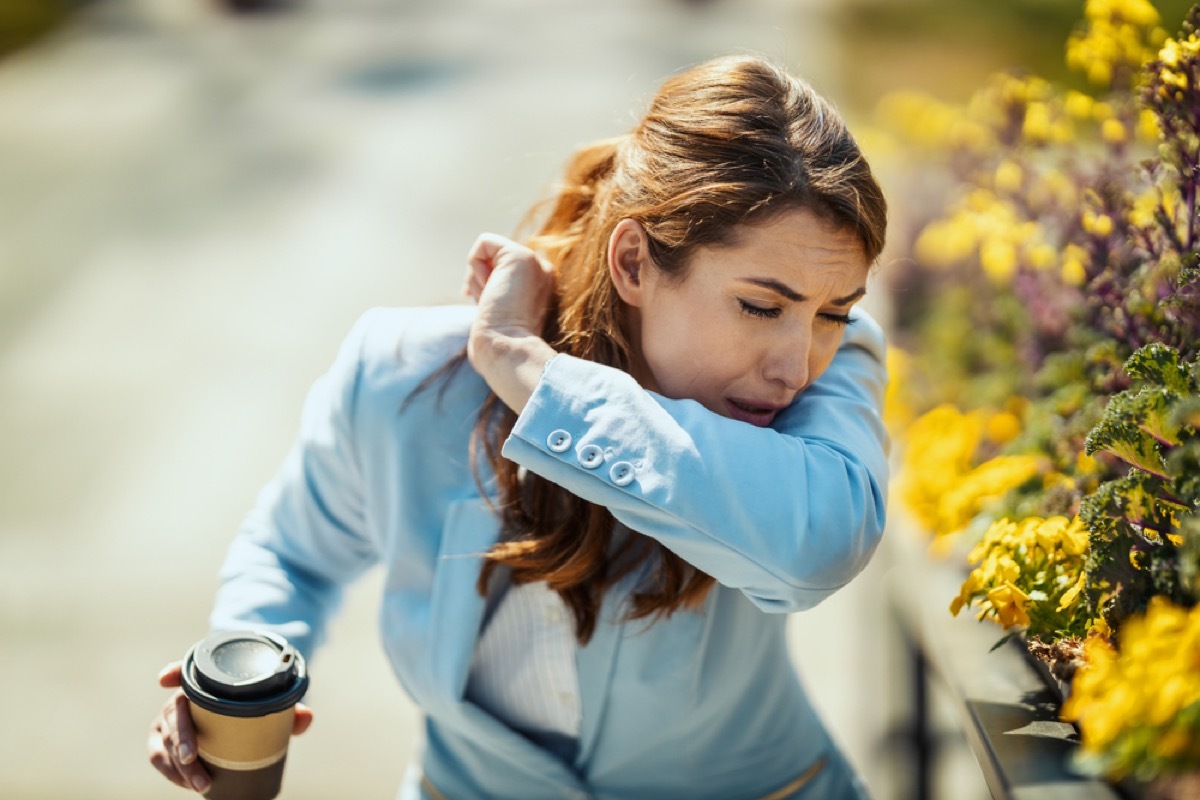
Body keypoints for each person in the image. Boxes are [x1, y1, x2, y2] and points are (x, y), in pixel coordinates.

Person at [148, 53, 889, 799]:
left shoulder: (840, 364)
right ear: (633, 262)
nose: (797, 364)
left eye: (834, 311)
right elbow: (292, 552)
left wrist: (527, 372)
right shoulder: (405, 374)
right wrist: (244, 672)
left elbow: (818, 546)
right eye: (762, 306)